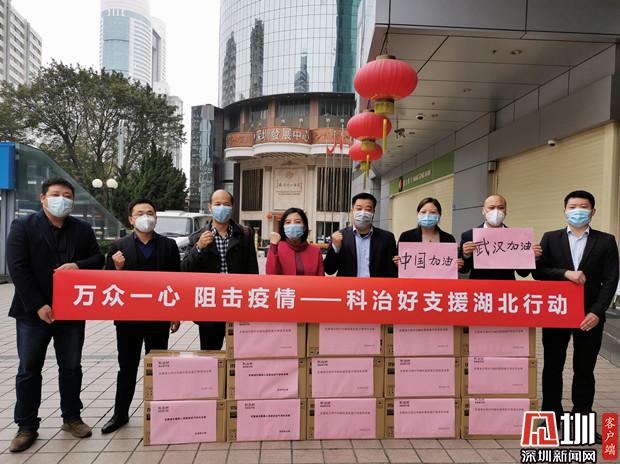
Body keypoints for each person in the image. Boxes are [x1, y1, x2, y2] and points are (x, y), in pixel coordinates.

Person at [6, 177, 104, 452]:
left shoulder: (82, 229)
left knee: (71, 367)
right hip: (33, 313)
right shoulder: (23, 226)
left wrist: (78, 265)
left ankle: (71, 417)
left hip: (71, 312)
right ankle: (26, 426)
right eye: (56, 194)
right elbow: (17, 268)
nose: (62, 200)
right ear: (43, 198)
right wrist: (38, 305)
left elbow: (98, 259)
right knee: (29, 369)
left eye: (68, 196)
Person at [533, 190, 619, 444]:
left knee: (584, 369)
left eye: (584, 206)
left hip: (589, 316)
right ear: (565, 210)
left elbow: (611, 280)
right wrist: (564, 273)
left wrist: (597, 312)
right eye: (573, 206)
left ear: (593, 211)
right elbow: (538, 272)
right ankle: (550, 417)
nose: (578, 210)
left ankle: (582, 421)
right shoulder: (551, 238)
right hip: (557, 312)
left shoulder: (606, 241)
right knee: (552, 366)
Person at [101, 199, 181, 434]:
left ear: (156, 217)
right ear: (131, 219)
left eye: (150, 213)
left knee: (158, 365)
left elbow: (177, 280)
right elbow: (107, 283)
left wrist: (176, 313)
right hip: (128, 319)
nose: (145, 217)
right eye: (140, 213)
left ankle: (159, 412)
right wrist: (116, 268)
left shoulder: (168, 246)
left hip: (158, 317)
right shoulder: (118, 246)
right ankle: (120, 414)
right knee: (127, 366)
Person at [181, 190, 258, 350]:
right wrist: (198, 247)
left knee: (239, 353)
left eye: (226, 204)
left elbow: (252, 272)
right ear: (210, 207)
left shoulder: (245, 234)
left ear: (232, 207)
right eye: (217, 204)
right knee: (210, 353)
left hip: (237, 303)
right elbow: (184, 270)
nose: (222, 208)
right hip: (210, 305)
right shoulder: (197, 237)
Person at [459, 194, 541, 279]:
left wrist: (533, 257)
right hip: (479, 286)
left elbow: (523, 273)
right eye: (491, 208)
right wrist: (466, 255)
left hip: (506, 285)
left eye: (501, 207)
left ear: (505, 211)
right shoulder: (469, 236)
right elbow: (463, 270)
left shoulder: (516, 237)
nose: (496, 211)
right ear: (483, 211)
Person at [324, 192, 397, 277]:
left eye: (368, 209)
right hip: (349, 285)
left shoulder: (387, 238)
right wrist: (335, 248)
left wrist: (399, 264)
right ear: (352, 211)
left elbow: (393, 272)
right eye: (359, 209)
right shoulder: (340, 237)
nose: (363, 213)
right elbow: (329, 270)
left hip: (376, 285)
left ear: (373, 212)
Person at [393, 197, 464, 269]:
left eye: (433, 212)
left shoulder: (449, 239)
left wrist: (457, 265)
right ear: (417, 214)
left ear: (439, 215)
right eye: (423, 212)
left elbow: (453, 264)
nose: (427, 215)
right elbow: (396, 265)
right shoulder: (406, 237)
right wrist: (397, 263)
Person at [266, 207, 324, 276]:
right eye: (288, 222)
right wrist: (273, 245)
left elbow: (321, 278)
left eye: (298, 222)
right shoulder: (277, 248)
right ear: (283, 227)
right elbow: (270, 274)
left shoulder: (316, 252)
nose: (292, 225)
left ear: (304, 227)